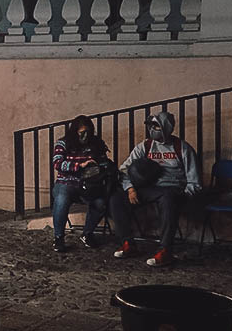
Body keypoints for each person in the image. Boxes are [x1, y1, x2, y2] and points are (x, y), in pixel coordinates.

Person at [109, 111, 201, 267]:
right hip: (149, 189)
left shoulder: (182, 148)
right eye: (151, 126)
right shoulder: (145, 146)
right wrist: (130, 188)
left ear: (166, 127)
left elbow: (194, 181)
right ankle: (128, 243)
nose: (153, 129)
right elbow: (123, 170)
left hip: (172, 189)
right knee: (116, 198)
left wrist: (185, 195)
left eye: (157, 126)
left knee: (168, 199)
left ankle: (165, 250)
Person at [50, 115, 113, 252]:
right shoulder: (63, 143)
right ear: (75, 132)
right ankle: (59, 237)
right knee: (61, 199)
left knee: (100, 202)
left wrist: (99, 166)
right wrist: (80, 165)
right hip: (66, 182)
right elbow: (57, 163)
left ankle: (87, 234)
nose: (85, 136)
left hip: (90, 184)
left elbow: (104, 161)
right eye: (82, 133)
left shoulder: (96, 143)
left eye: (88, 132)